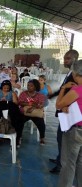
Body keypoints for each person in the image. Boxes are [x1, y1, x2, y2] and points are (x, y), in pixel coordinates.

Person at [49, 49, 79, 174]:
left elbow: (75, 94)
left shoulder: (76, 76)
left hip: (69, 112)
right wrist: (52, 95)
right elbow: (64, 89)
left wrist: (67, 105)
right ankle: (59, 159)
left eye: (67, 58)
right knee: (60, 137)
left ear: (74, 59)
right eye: (65, 58)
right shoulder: (70, 73)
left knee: (63, 139)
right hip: (64, 110)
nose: (64, 61)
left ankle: (62, 164)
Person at [56, 59, 82, 187]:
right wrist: (70, 106)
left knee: (68, 163)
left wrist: (63, 89)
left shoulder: (77, 90)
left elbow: (58, 104)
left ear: (75, 73)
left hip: (76, 130)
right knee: (80, 162)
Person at [18, 79, 46, 147]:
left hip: (35, 113)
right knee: (19, 122)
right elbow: (20, 102)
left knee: (41, 123)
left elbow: (40, 105)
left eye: (31, 86)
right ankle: (18, 137)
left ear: (35, 87)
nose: (28, 87)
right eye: (28, 85)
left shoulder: (40, 95)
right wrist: (31, 104)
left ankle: (42, 137)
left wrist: (32, 107)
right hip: (25, 112)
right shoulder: (23, 93)